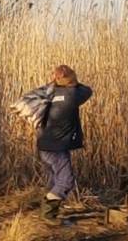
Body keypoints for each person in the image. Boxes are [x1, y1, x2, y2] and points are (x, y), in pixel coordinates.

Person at [37, 65, 92, 222]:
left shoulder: (49, 93)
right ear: (72, 80)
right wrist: (73, 82)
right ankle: (47, 213)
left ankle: (48, 213)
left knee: (54, 180)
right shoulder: (72, 95)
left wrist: (55, 83)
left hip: (43, 145)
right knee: (66, 181)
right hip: (57, 148)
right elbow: (88, 90)